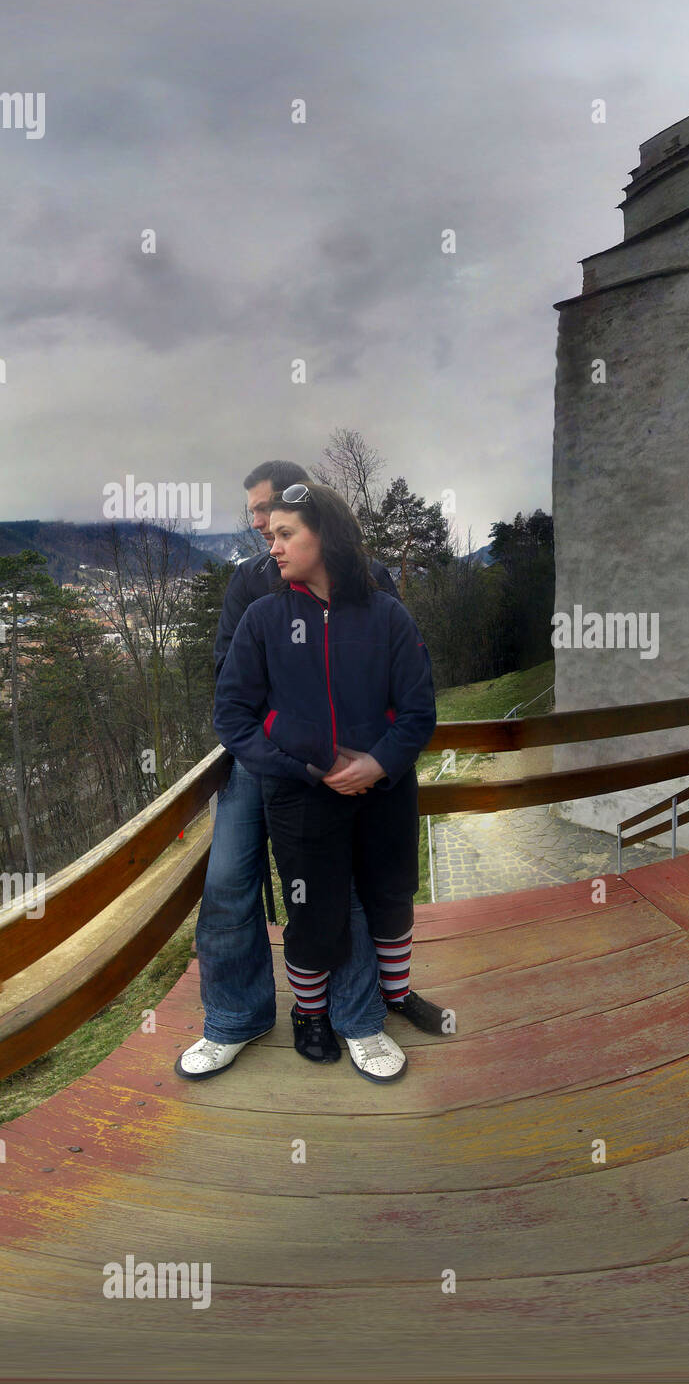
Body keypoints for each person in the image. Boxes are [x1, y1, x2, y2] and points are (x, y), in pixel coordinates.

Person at [177, 463, 399, 1083]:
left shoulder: (369, 577)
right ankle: (234, 1018)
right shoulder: (250, 582)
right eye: (253, 514)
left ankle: (351, 1014)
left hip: (343, 761)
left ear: (313, 516)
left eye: (269, 511)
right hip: (266, 759)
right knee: (226, 885)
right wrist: (291, 742)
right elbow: (231, 680)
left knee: (343, 884)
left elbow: (394, 669)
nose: (258, 525)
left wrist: (370, 756)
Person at [212, 482, 439, 1084]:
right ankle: (310, 1015)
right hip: (301, 799)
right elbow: (232, 714)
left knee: (390, 894)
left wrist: (378, 764)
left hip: (384, 793)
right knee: (314, 910)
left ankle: (390, 998)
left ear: (326, 536)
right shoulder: (264, 618)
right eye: (273, 534)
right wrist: (306, 767)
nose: (273, 545)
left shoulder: (387, 615)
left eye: (286, 534)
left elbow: (419, 710)